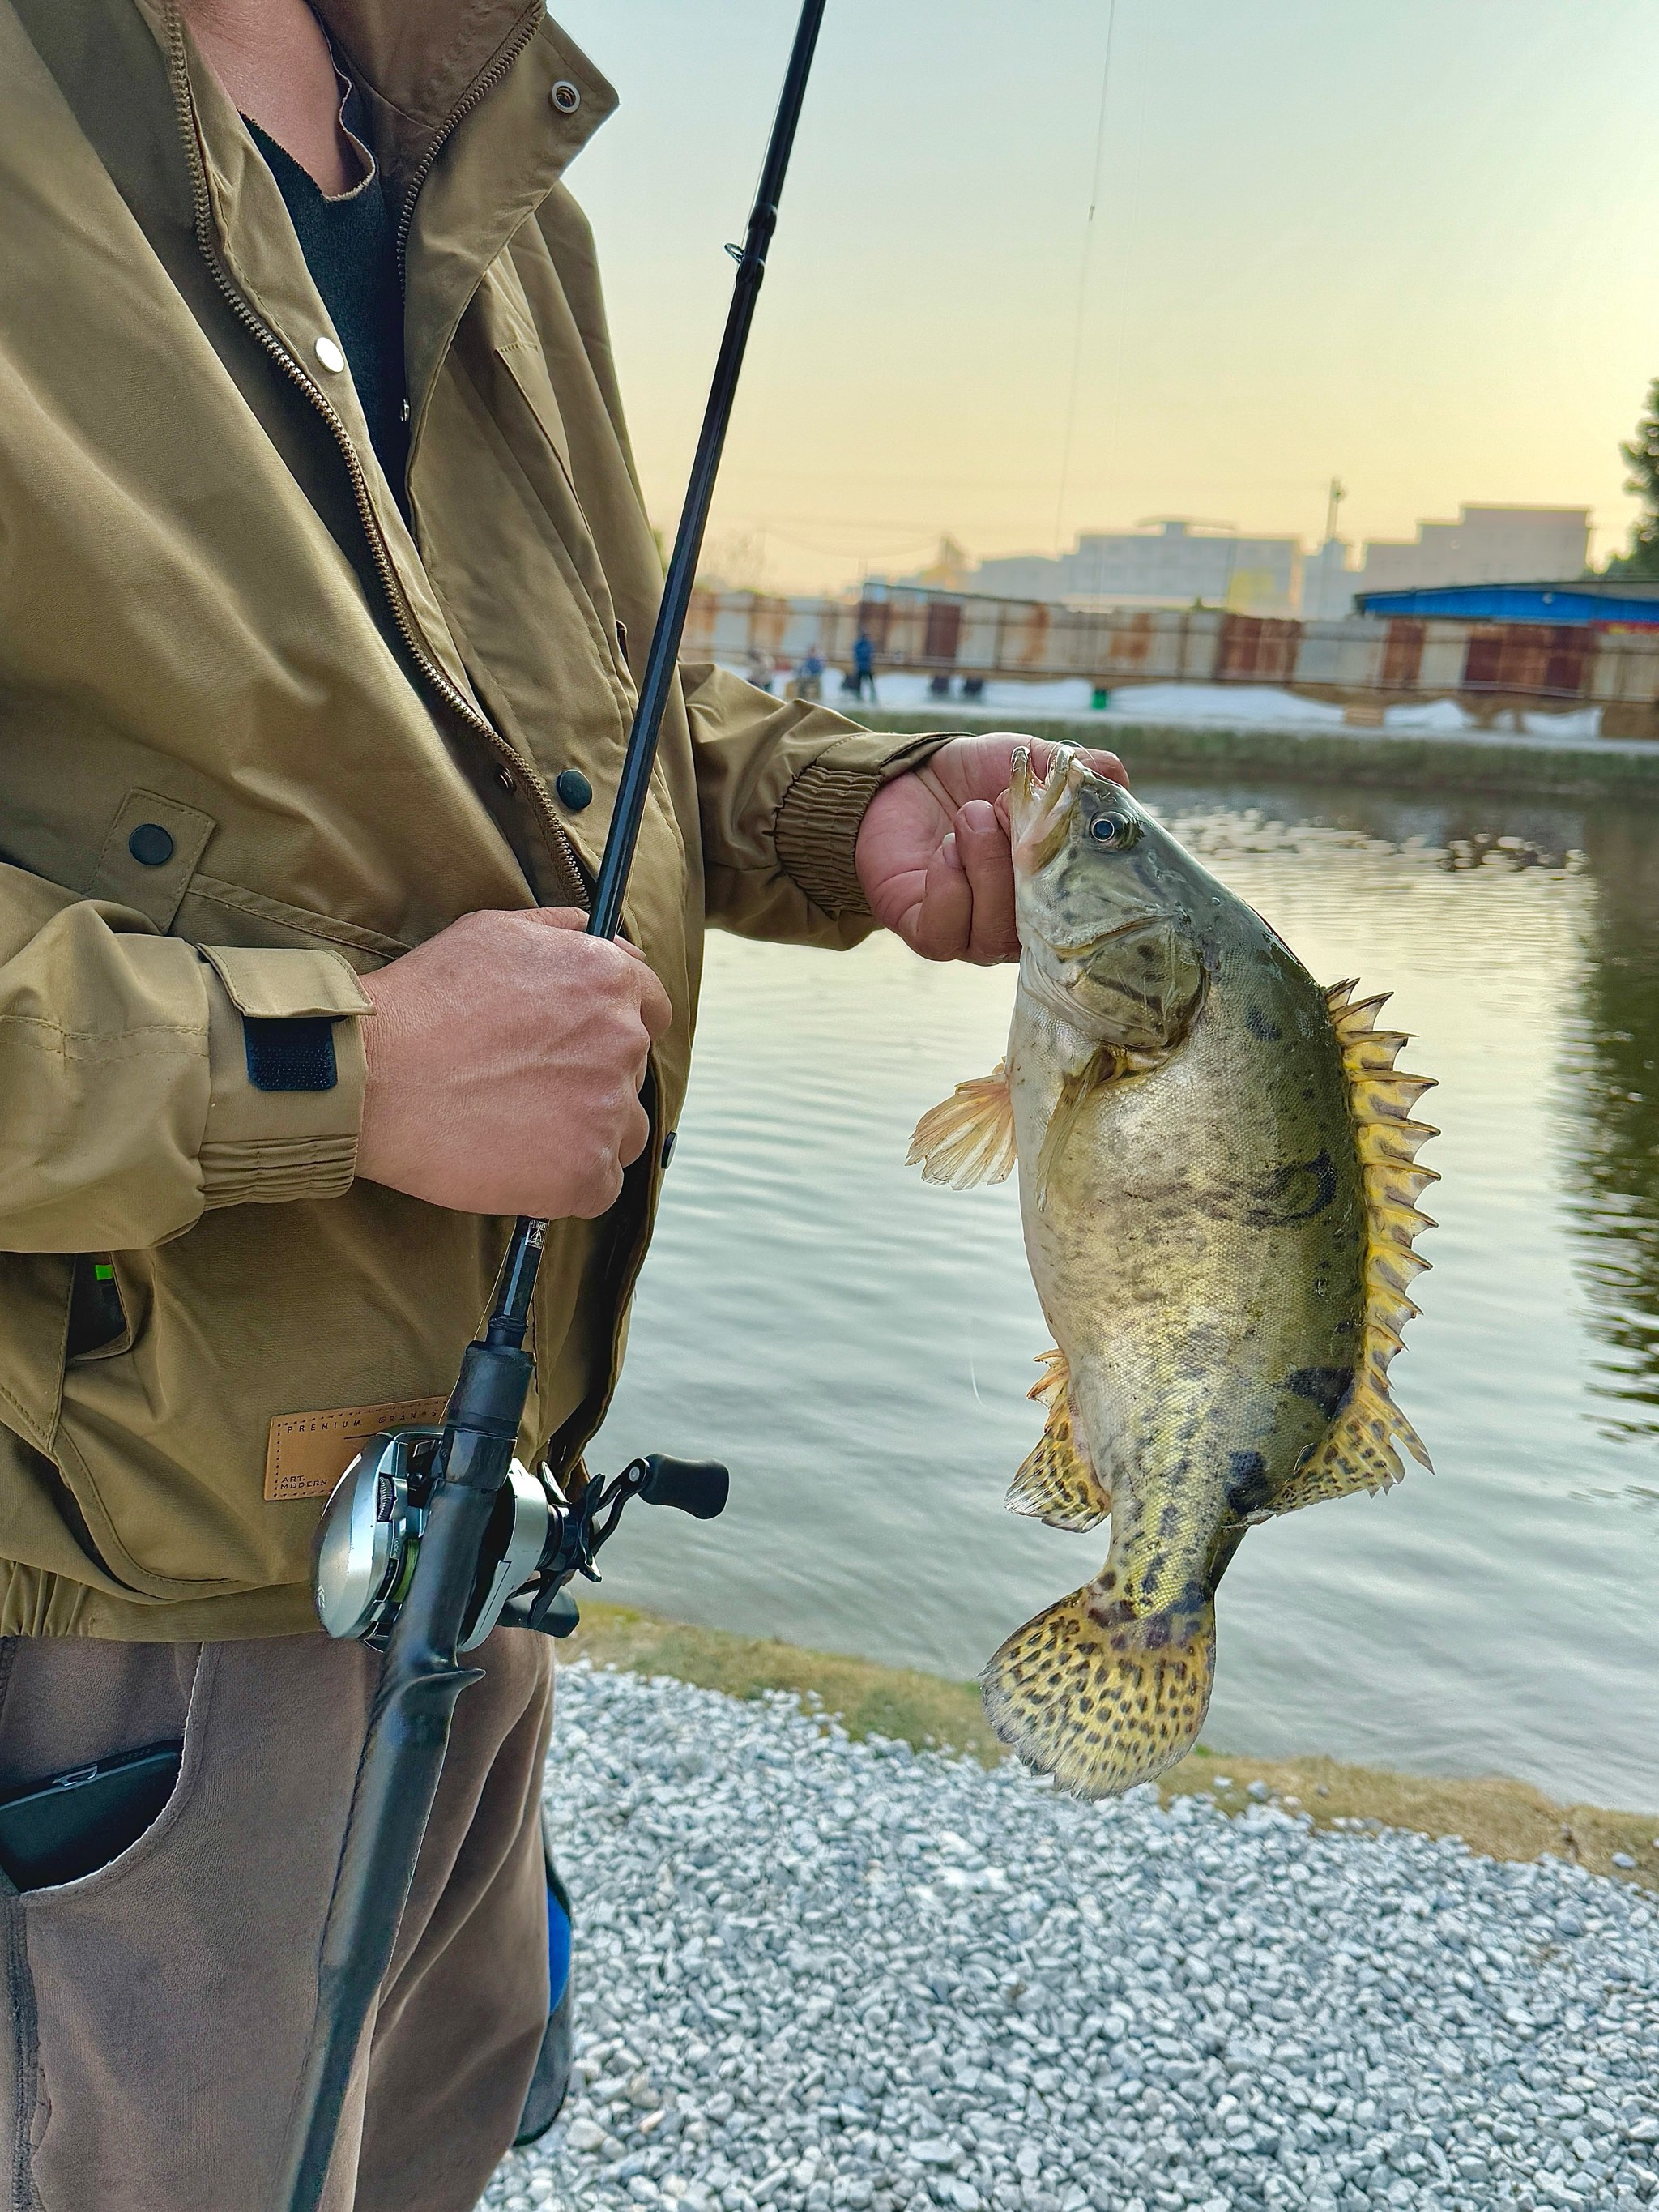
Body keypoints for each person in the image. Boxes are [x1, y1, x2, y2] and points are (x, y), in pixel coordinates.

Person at [0, 3, 1124, 2207]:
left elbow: (603, 722)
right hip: (109, 1591)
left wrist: (855, 809)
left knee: (430, 2139)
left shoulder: (485, 164)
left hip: (473, 1522)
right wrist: (331, 1073)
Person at [852, 628, 878, 700]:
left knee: (869, 683)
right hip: (862, 666)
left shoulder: (865, 644)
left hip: (865, 666)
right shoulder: (861, 644)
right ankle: (859, 697)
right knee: (860, 683)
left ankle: (872, 697)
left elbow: (870, 654)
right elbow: (866, 654)